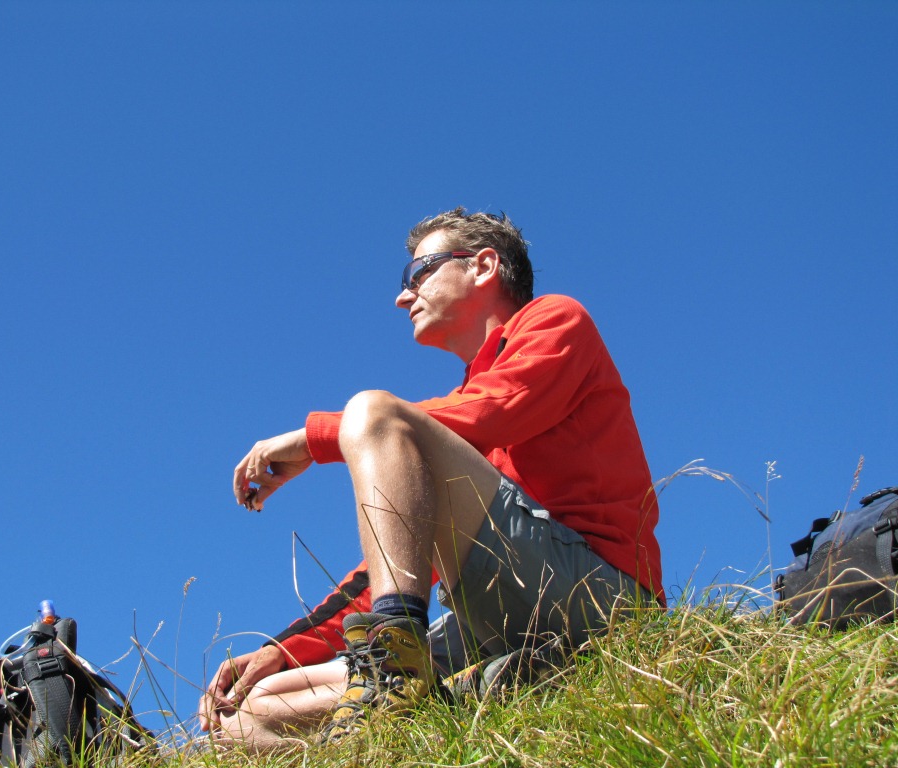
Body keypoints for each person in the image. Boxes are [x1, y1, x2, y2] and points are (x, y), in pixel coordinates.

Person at [197, 208, 663, 749]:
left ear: (484, 266)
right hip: (502, 619)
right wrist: (282, 649)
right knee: (247, 714)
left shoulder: (556, 320)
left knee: (374, 410)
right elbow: (389, 558)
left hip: (604, 608)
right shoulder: (457, 411)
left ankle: (394, 679)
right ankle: (481, 690)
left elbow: (488, 413)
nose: (403, 296)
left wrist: (321, 436)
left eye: (417, 273)